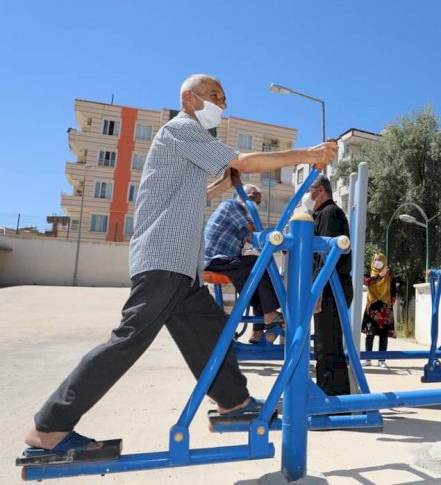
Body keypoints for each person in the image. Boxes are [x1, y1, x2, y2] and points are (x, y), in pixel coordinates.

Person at [23, 74, 336, 457]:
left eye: (224, 98)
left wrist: (220, 187)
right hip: (163, 262)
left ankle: (234, 402)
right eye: (213, 96)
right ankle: (49, 426)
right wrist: (308, 155)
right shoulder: (181, 128)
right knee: (127, 342)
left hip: (182, 269)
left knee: (209, 331)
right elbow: (245, 161)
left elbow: (182, 192)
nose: (221, 104)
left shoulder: (187, 144)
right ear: (188, 99)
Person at [204, 183, 283, 344]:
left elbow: (251, 238)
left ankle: (258, 331)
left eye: (259, 202)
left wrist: (279, 245)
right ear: (243, 196)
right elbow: (255, 232)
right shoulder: (233, 206)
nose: (256, 204)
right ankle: (269, 314)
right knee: (258, 263)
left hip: (222, 260)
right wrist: (278, 241)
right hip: (216, 259)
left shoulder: (236, 216)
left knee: (256, 285)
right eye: (254, 199)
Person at [307, 175, 352, 396]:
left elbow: (326, 256)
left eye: (310, 190)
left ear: (321, 191)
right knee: (325, 345)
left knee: (328, 347)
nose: (307, 195)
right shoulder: (320, 215)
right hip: (327, 287)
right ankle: (330, 397)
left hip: (330, 288)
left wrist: (317, 291)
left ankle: (333, 402)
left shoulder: (329, 213)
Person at [361, 252, 395, 368]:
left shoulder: (389, 274)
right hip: (372, 307)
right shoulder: (369, 272)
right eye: (375, 259)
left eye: (380, 259)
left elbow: (393, 289)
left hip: (385, 307)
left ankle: (381, 359)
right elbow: (366, 282)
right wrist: (380, 276)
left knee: (383, 335)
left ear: (384, 261)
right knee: (369, 334)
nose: (377, 261)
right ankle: (368, 358)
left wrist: (391, 304)